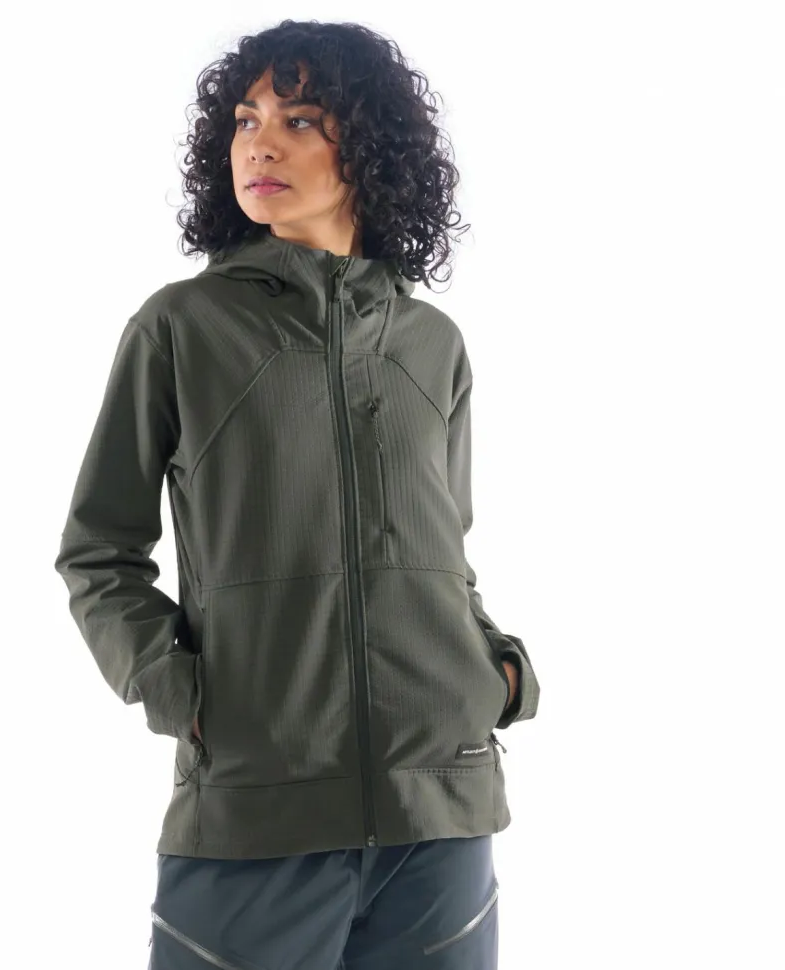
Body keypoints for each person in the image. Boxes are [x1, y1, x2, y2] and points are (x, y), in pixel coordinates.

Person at [53, 19, 540, 969]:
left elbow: (446, 553)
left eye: (300, 119)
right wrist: (180, 690)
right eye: (246, 120)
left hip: (442, 814)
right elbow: (98, 552)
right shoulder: (182, 328)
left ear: (372, 148)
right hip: (256, 811)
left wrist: (497, 671)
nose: (260, 144)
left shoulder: (432, 345)